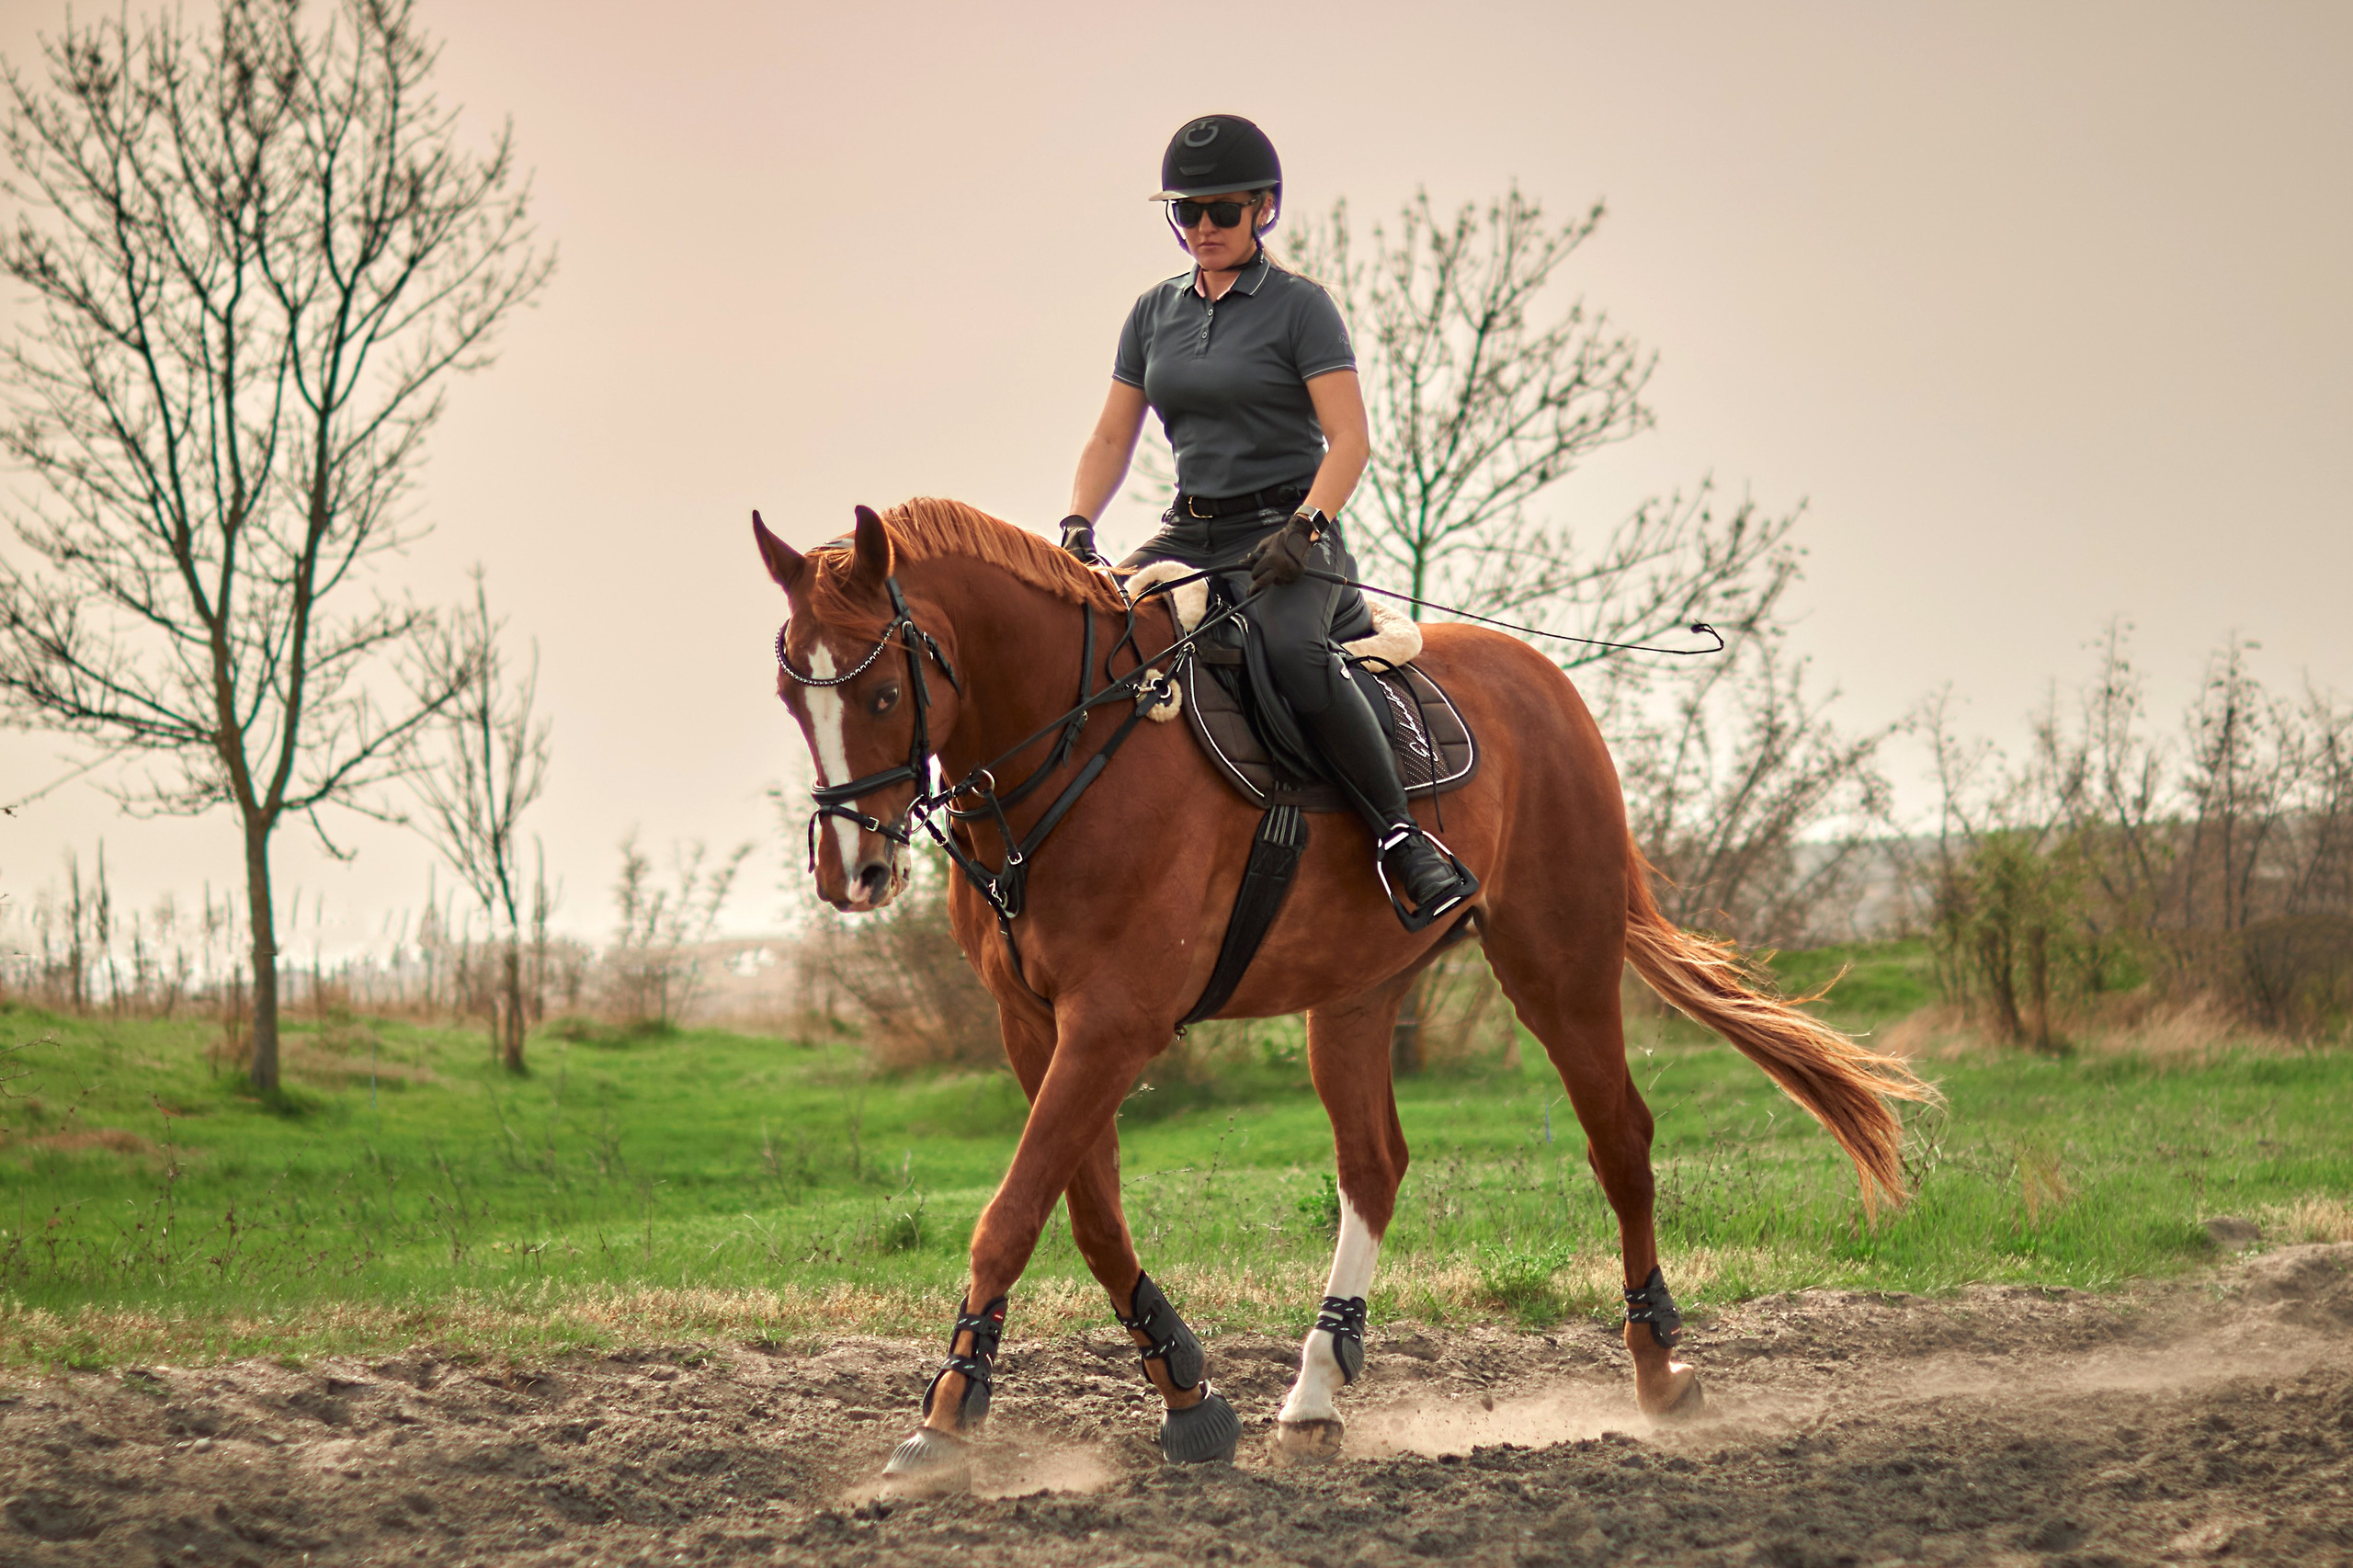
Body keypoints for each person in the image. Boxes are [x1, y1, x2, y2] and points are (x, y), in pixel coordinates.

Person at [1059, 113, 1478, 931]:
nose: (1204, 228)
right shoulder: (1153, 314)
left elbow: (1350, 439)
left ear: (1264, 209)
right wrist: (1077, 523)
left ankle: (1399, 838)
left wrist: (1309, 525)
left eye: (1222, 210)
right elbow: (1113, 435)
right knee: (1096, 631)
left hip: (1286, 530)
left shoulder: (1300, 309)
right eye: (1187, 213)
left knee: (1291, 648)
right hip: (1188, 529)